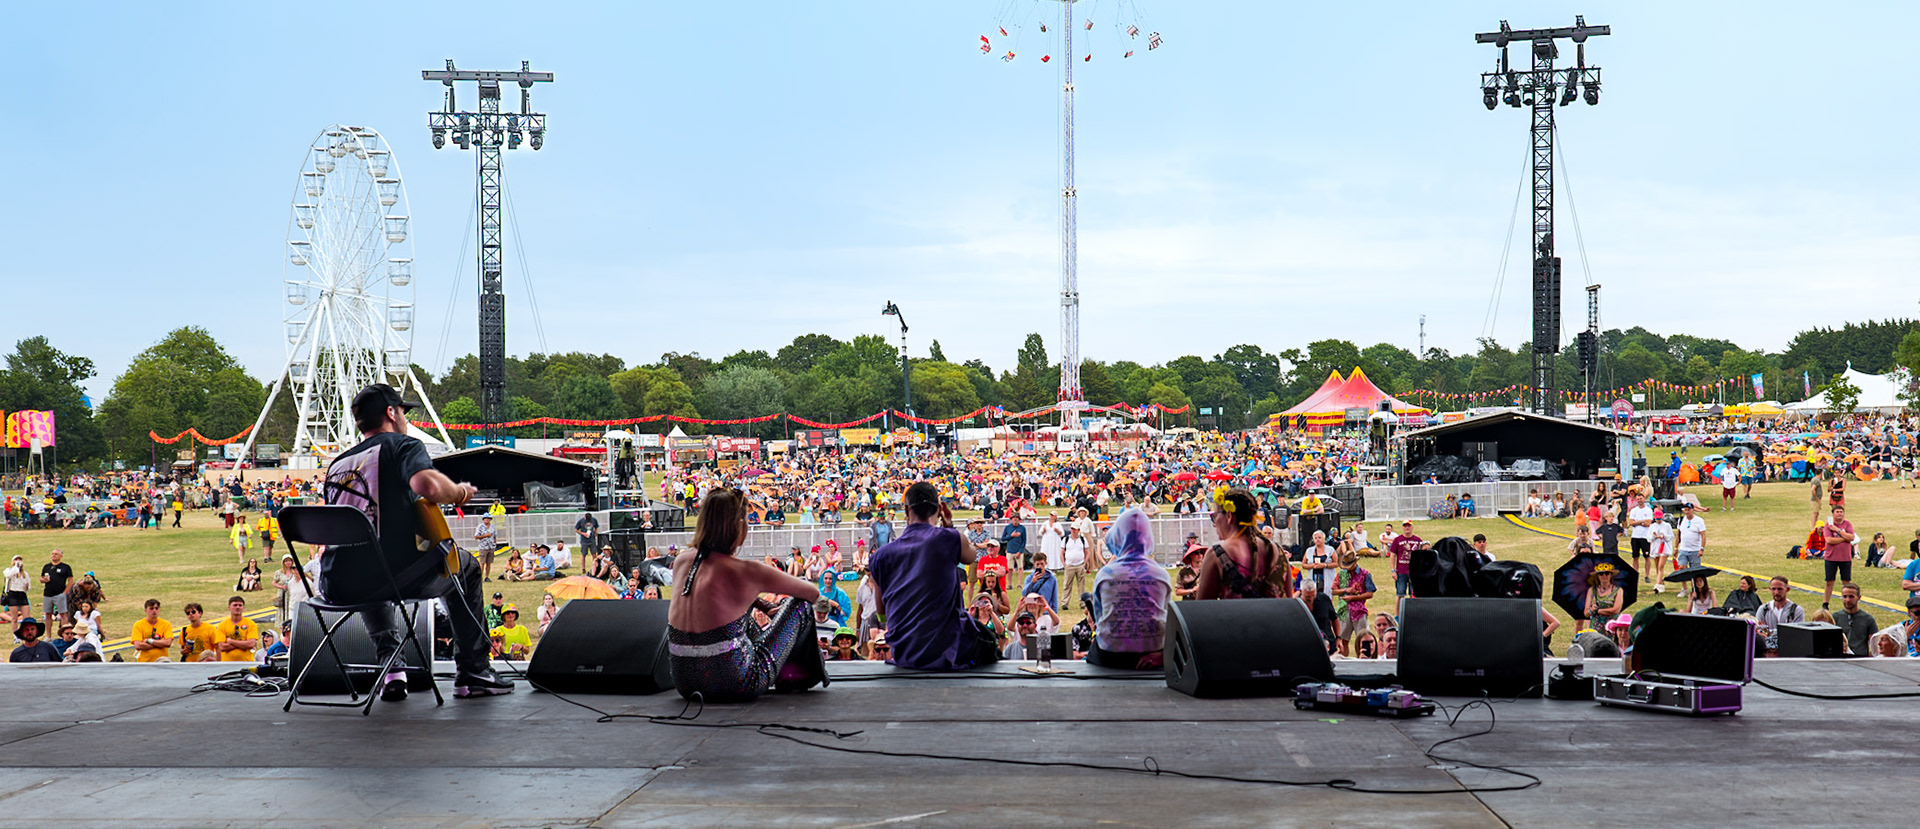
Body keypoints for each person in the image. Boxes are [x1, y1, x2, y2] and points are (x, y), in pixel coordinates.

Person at [321, 383, 511, 700]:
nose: (406, 420)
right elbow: (428, 486)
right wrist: (459, 491)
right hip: (390, 575)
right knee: (466, 567)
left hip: (336, 582)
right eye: (403, 412)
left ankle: (392, 669)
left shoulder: (336, 465)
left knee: (366, 565)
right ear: (391, 412)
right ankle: (473, 672)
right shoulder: (402, 446)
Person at [666, 488, 825, 702]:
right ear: (738, 526)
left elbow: (716, 600)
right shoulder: (748, 571)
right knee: (800, 606)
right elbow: (811, 593)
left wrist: (762, 605)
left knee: (738, 626)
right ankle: (794, 677)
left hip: (684, 682)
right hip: (736, 683)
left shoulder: (682, 561)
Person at [866, 481, 997, 671]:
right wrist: (949, 525)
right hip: (948, 651)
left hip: (905, 653)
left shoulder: (879, 556)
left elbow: (881, 611)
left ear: (906, 509)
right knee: (989, 641)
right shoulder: (949, 538)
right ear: (939, 509)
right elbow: (969, 556)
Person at [1086, 507, 1171, 670]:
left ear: (1118, 536)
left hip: (1110, 654)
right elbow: (1166, 615)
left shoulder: (1106, 574)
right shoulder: (1161, 575)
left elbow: (1099, 617)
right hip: (1153, 653)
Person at [1195, 487, 1284, 601]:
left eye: (1215, 516)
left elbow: (1203, 609)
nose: (1214, 524)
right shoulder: (1276, 550)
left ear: (1229, 516)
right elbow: (1288, 604)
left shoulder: (1215, 555)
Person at [1330, 551, 1375, 658]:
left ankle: (1364, 661)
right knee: (1343, 641)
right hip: (1344, 611)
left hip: (1359, 611)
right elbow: (1333, 591)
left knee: (1364, 640)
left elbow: (1370, 593)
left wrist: (1353, 597)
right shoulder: (1341, 574)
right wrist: (1347, 590)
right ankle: (1344, 663)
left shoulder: (1365, 574)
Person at [1754, 575, 1804, 656]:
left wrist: (1768, 633)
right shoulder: (1763, 609)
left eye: (1780, 589)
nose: (1776, 592)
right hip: (1766, 655)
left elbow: (1796, 636)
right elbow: (1759, 633)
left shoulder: (1797, 610)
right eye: (1773, 589)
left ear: (1787, 589)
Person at [1820, 505, 1857, 610]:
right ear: (1833, 513)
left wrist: (1837, 530)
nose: (1839, 513)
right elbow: (1829, 540)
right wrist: (1844, 538)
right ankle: (1825, 603)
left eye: (1841, 511)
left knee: (1846, 582)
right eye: (1837, 512)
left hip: (1845, 558)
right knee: (1829, 581)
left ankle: (1848, 602)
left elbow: (1852, 537)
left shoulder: (1847, 524)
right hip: (1831, 557)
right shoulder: (1828, 525)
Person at [1832, 584, 1878, 656]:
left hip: (1860, 659)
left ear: (1859, 597)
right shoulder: (1835, 617)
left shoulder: (1868, 619)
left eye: (1851, 597)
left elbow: (1874, 644)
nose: (1847, 600)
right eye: (1845, 596)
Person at [131, 598, 174, 663]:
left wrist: (149, 641)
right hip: (145, 662)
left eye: (156, 608)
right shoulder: (138, 625)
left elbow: (168, 643)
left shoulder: (166, 624)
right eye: (151, 608)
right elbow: (138, 645)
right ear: (145, 610)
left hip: (162, 662)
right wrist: (160, 643)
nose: (154, 611)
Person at [1388, 520, 1422, 600]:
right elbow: (1392, 555)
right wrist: (1393, 570)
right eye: (1405, 526)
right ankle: (1398, 612)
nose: (1407, 528)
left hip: (1414, 573)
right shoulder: (1397, 540)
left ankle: (1414, 612)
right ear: (1402, 528)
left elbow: (1422, 556)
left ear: (1412, 527)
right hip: (1401, 572)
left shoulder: (1418, 540)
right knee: (1400, 595)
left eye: (1409, 526)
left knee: (1414, 595)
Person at [1584, 564, 1624, 632]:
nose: (1604, 575)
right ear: (1597, 576)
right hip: (1595, 629)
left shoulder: (1618, 590)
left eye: (1607, 573)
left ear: (1611, 575)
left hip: (1611, 629)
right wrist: (1591, 610)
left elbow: (1616, 609)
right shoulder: (1591, 590)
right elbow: (1586, 613)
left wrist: (1598, 611)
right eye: (1601, 573)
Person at [40, 549, 72, 626]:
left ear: (61, 556)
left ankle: (64, 633)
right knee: (48, 615)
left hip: (60, 594)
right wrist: (44, 580)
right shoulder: (47, 567)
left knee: (63, 614)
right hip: (47, 594)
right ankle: (48, 636)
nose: (53, 555)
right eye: (52, 554)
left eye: (56, 554)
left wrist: (65, 593)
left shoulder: (65, 567)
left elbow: (70, 580)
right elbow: (41, 578)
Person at [1675, 504, 1707, 571]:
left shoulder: (1699, 521)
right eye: (1685, 510)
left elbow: (1703, 535)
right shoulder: (1681, 520)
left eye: (1689, 510)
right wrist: (1676, 548)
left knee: (1695, 571)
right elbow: (1678, 535)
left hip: (1695, 550)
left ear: (1693, 510)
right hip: (1683, 549)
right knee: (1681, 568)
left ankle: (1693, 581)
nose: (1687, 512)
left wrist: (1702, 548)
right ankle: (1684, 581)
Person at [3, 555, 29, 624]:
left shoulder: (25, 574)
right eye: (16, 559)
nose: (18, 561)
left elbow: (27, 588)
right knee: (14, 618)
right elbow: (8, 575)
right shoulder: (8, 570)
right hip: (12, 594)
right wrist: (16, 567)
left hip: (22, 594)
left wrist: (26, 587)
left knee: (27, 617)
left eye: (19, 560)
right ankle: (15, 633)